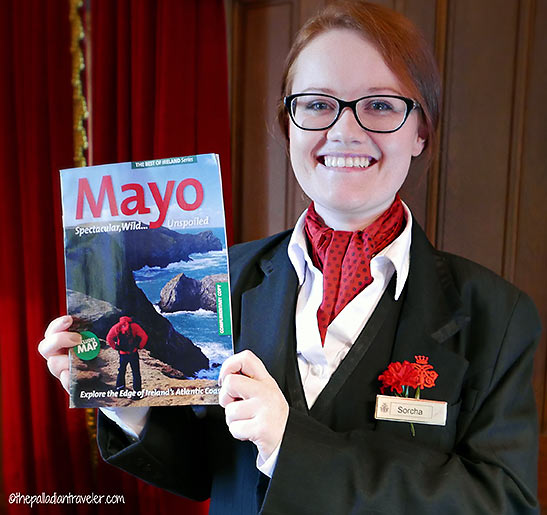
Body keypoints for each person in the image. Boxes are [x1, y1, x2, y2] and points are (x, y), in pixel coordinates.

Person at [38, 1, 541, 513]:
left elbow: (502, 501)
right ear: (289, 124)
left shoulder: (497, 316)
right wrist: (131, 403)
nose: (346, 130)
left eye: (381, 105)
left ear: (420, 131)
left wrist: (290, 446)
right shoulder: (228, 278)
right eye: (319, 104)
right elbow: (205, 469)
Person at [106, 316, 148, 392]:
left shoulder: (117, 326)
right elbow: (144, 336)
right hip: (133, 352)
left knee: (121, 371)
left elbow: (109, 338)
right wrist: (140, 346)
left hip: (123, 353)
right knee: (136, 372)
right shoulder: (135, 326)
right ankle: (137, 392)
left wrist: (115, 347)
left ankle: (120, 390)